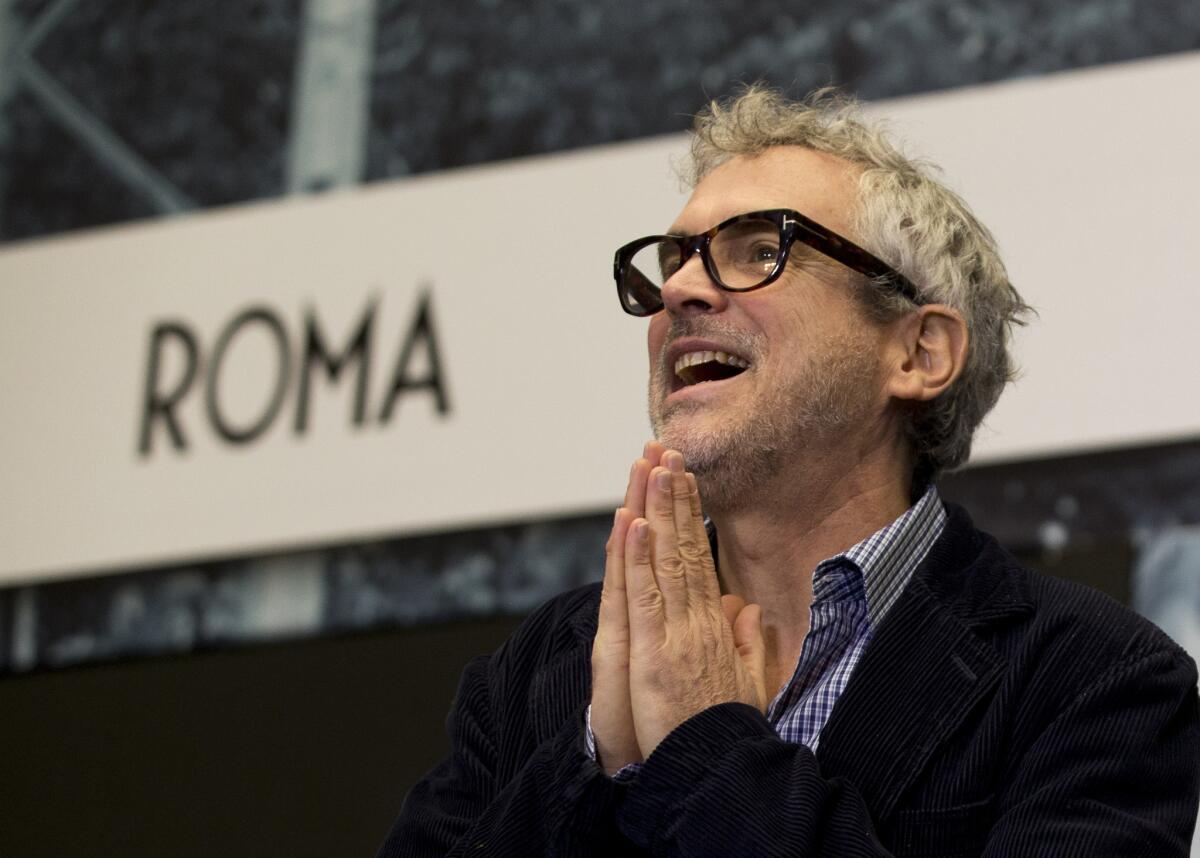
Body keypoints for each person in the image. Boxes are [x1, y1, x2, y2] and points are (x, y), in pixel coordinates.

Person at [377, 87, 1200, 857]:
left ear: (917, 351)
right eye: (676, 260)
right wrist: (594, 770)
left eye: (762, 250)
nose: (682, 292)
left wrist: (706, 752)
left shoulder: (1097, 679)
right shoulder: (544, 667)